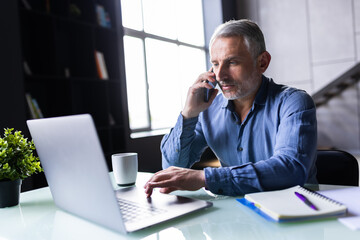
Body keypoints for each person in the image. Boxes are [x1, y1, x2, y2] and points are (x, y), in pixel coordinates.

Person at [144, 19, 317, 197]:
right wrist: (188, 114)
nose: (220, 76)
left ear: (262, 62)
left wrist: (205, 178)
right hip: (235, 213)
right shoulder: (208, 110)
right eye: (216, 64)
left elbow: (290, 170)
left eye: (232, 62)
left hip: (295, 210)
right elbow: (173, 168)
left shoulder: (294, 103)